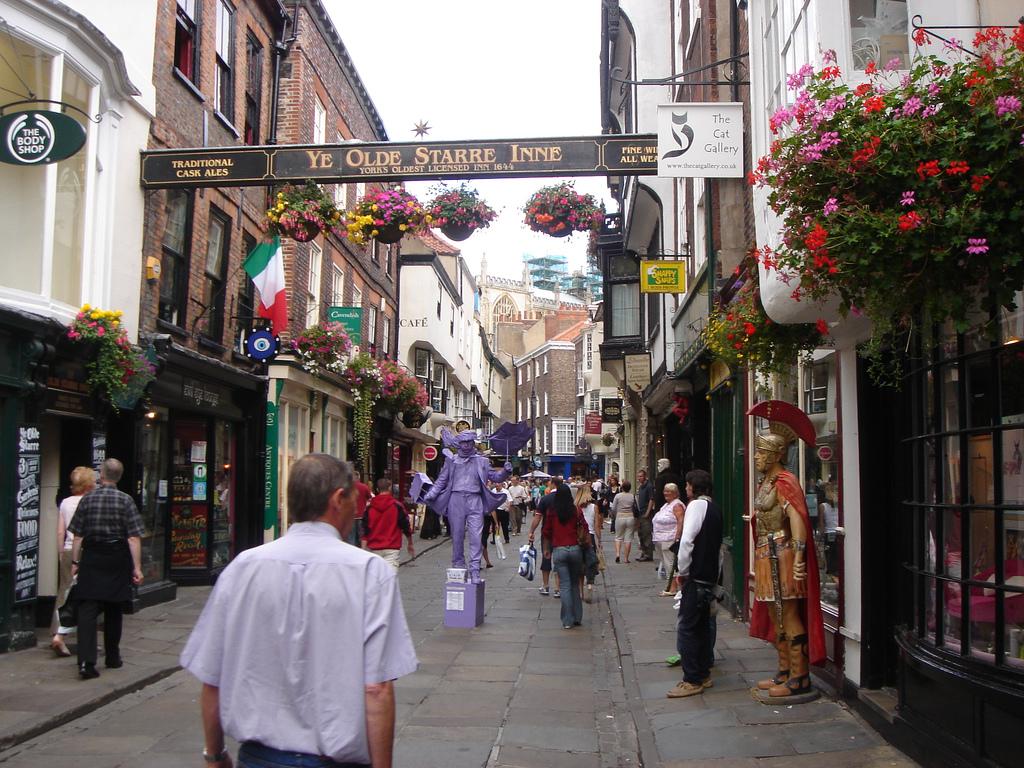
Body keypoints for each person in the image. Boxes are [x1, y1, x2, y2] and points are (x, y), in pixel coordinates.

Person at [181, 454, 417, 768]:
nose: (356, 509)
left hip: (259, 758)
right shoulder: (370, 573)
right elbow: (376, 688)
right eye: (353, 501)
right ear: (338, 499)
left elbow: (213, 676)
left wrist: (215, 754)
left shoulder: (242, 568)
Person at [748, 410, 826, 697]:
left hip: (783, 553)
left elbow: (797, 519)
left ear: (774, 455)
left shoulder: (785, 481)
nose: (756, 457)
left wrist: (801, 557)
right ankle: (784, 672)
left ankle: (800, 677)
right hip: (766, 553)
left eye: (760, 452)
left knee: (789, 615)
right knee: (776, 614)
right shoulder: (766, 482)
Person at [68, 458, 144, 680]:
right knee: (114, 608)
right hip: (117, 557)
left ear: (101, 474)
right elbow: (133, 537)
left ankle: (86, 662)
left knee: (87, 609)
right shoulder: (126, 501)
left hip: (92, 556)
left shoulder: (88, 499)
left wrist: (75, 562)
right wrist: (137, 567)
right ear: (118, 476)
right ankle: (112, 656)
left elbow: (78, 535)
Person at [422, 429, 511, 583]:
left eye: (469, 442)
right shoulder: (452, 460)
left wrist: (505, 472)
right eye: (463, 443)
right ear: (459, 444)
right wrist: (431, 494)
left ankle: (475, 569)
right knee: (457, 536)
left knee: (476, 537)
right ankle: (458, 565)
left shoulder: (482, 461)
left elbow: (495, 477)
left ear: (473, 443)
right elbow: (442, 480)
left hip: (475, 499)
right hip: (456, 499)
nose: (466, 446)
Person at [666, 469, 723, 699]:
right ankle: (703, 673)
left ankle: (691, 679)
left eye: (687, 485)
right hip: (708, 576)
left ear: (692, 486)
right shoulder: (715, 508)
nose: (686, 488)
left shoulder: (696, 506)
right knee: (701, 628)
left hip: (695, 576)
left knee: (688, 628)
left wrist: (682, 571)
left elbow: (687, 540)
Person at [50, 466, 96, 657]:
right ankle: (70, 635)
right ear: (88, 484)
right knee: (87, 596)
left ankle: (56, 630)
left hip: (68, 550)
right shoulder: (91, 502)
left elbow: (60, 531)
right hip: (85, 551)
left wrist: (61, 553)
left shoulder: (66, 503)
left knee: (64, 592)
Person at [542, 485, 588, 629]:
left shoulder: (552, 511)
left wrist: (546, 549)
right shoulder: (576, 510)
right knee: (575, 584)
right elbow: (585, 527)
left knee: (565, 586)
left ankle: (567, 620)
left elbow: (546, 531)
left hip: (559, 550)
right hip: (575, 549)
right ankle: (577, 617)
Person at [362, 477, 414, 570]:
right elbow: (405, 526)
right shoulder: (397, 506)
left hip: (374, 549)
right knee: (390, 580)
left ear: (377, 489)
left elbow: (365, 530)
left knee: (376, 580)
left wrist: (363, 550)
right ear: (390, 488)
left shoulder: (369, 508)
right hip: (391, 547)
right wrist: (410, 543)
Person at [527, 477, 561, 596]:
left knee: (546, 557)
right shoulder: (565, 499)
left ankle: (546, 585)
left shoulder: (545, 499)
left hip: (547, 533)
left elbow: (538, 517)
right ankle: (558, 588)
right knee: (559, 560)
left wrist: (531, 531)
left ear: (552, 484)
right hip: (561, 533)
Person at [652, 482, 686, 597]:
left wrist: (677, 536)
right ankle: (670, 586)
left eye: (669, 491)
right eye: (665, 491)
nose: (665, 493)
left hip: (669, 538)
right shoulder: (666, 505)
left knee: (670, 564)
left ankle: (672, 588)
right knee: (667, 564)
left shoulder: (677, 505)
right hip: (660, 538)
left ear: (675, 493)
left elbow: (681, 521)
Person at [576, 485, 601, 603]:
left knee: (580, 565)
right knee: (590, 562)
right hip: (589, 536)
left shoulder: (575, 507)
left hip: (578, 537)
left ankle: (580, 592)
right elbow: (596, 525)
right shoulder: (594, 507)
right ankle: (590, 584)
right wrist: (599, 540)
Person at [611, 480, 637, 563]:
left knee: (618, 537)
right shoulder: (633, 496)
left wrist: (614, 516)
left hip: (620, 516)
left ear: (622, 487)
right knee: (628, 539)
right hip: (630, 517)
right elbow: (637, 508)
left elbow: (614, 508)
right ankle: (626, 558)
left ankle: (618, 554)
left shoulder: (618, 496)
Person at [634, 469, 655, 561]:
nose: (639, 478)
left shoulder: (649, 486)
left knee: (646, 533)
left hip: (646, 513)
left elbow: (651, 499)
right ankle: (644, 552)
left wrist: (648, 512)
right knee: (641, 534)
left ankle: (648, 554)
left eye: (641, 476)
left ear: (645, 476)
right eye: (638, 476)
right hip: (640, 513)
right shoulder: (641, 487)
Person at [350, 470, 373, 547]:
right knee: (361, 536)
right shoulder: (364, 487)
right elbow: (370, 498)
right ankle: (360, 551)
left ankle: (352, 552)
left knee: (351, 537)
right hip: (361, 515)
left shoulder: (348, 487)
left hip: (350, 516)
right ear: (359, 477)